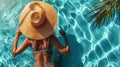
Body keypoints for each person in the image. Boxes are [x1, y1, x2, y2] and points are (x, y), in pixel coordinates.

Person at [12, 1, 69, 67]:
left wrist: (17, 36)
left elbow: (14, 53)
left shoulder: (29, 41)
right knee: (59, 57)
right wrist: (65, 37)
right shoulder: (50, 39)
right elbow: (66, 52)